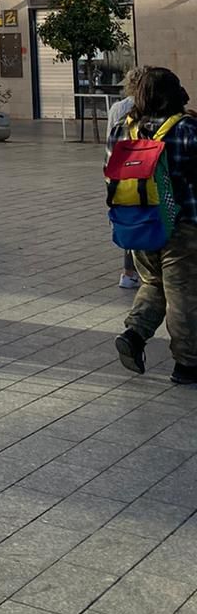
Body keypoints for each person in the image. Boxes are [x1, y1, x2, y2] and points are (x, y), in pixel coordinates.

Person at [111, 66, 197, 384]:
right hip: (182, 227)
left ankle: (134, 334)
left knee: (153, 283)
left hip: (140, 223)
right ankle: (187, 364)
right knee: (184, 294)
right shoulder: (186, 128)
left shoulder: (124, 127)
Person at [107, 68, 145, 290]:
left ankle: (128, 272)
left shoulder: (116, 109)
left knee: (130, 221)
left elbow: (110, 139)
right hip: (144, 169)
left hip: (121, 172)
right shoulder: (147, 108)